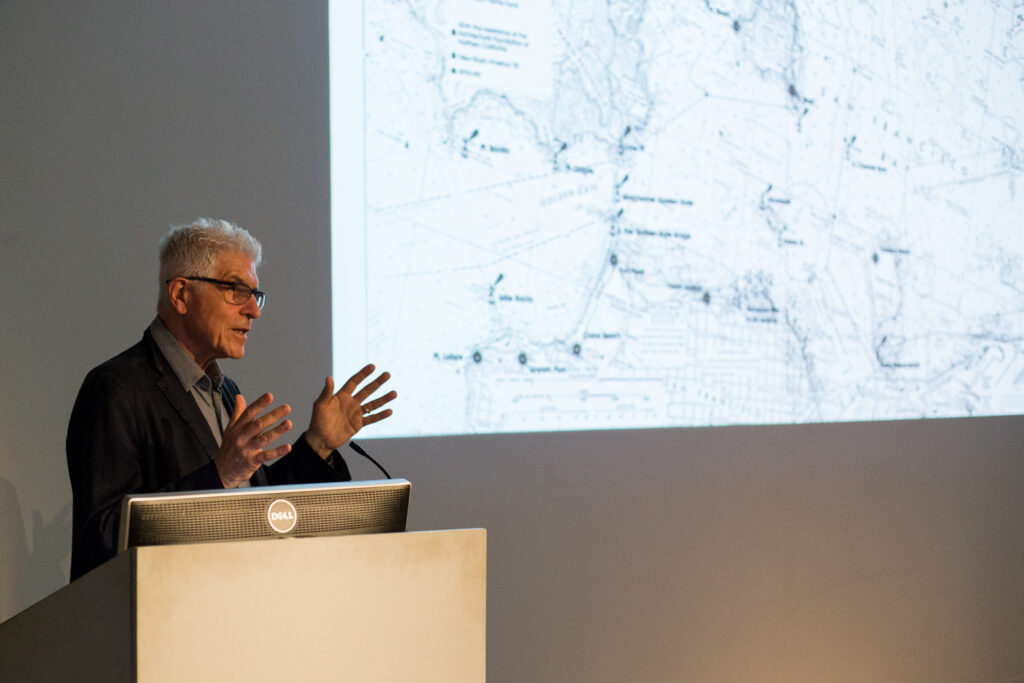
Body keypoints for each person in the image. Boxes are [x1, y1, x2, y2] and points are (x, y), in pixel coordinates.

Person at [65, 218, 396, 580]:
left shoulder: (225, 391)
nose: (253, 310)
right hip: (157, 619)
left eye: (255, 295)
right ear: (180, 294)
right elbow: (101, 539)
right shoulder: (116, 388)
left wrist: (317, 445)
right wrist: (220, 474)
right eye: (237, 290)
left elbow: (255, 511)